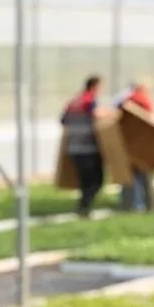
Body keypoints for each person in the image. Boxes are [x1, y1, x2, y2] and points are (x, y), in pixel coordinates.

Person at [61, 75, 105, 217]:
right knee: (96, 180)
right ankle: (84, 209)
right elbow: (96, 118)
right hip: (89, 148)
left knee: (85, 181)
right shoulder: (89, 101)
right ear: (95, 86)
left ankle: (83, 208)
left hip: (74, 148)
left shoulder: (73, 102)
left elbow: (63, 120)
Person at [115, 78, 154, 213]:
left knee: (129, 179)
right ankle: (148, 206)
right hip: (143, 145)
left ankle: (129, 206)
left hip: (128, 145)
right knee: (146, 178)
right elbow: (151, 120)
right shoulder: (142, 100)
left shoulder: (124, 101)